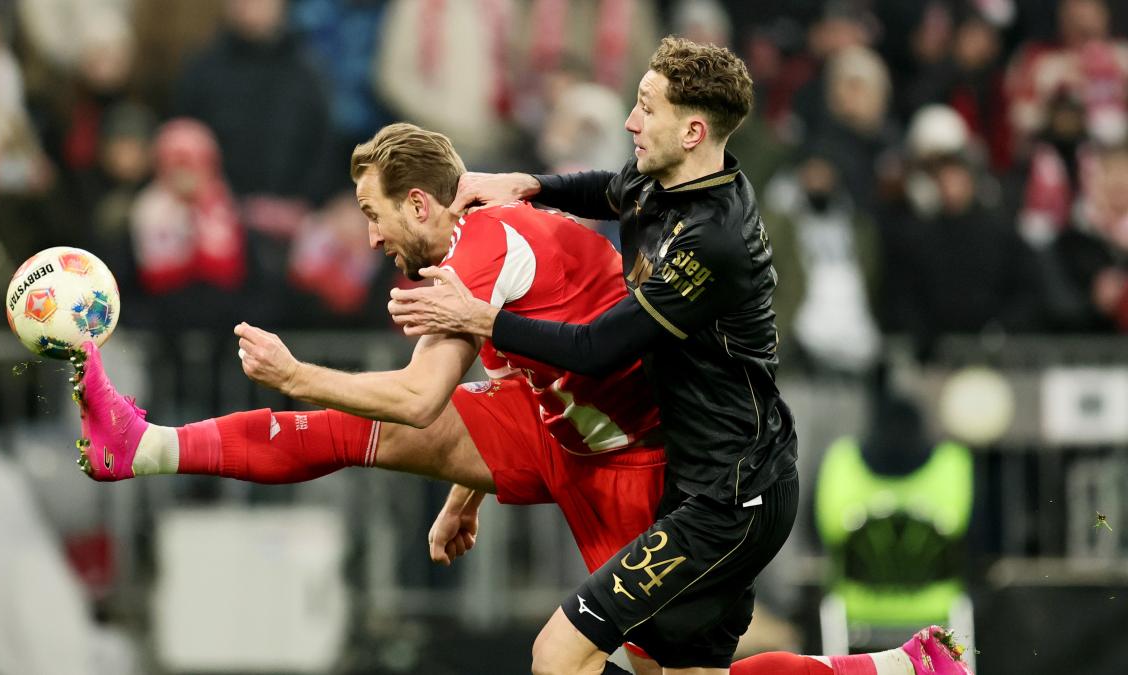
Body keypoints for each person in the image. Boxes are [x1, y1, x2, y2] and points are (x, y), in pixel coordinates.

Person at [388, 37, 972, 675]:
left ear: (693, 130)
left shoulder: (712, 239)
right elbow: (609, 189)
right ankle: (903, 667)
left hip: (732, 498)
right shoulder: (665, 174)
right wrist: (529, 184)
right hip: (707, 480)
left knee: (557, 656)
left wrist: (483, 320)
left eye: (645, 107)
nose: (630, 121)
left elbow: (598, 348)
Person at [72, 122, 668, 675]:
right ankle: (142, 446)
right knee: (351, 429)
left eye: (372, 213)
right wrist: (468, 492)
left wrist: (295, 375)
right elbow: (509, 372)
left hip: (632, 464)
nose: (371, 235)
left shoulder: (485, 245)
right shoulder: (461, 250)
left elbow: (417, 398)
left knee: (670, 672)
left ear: (416, 203)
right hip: (554, 425)